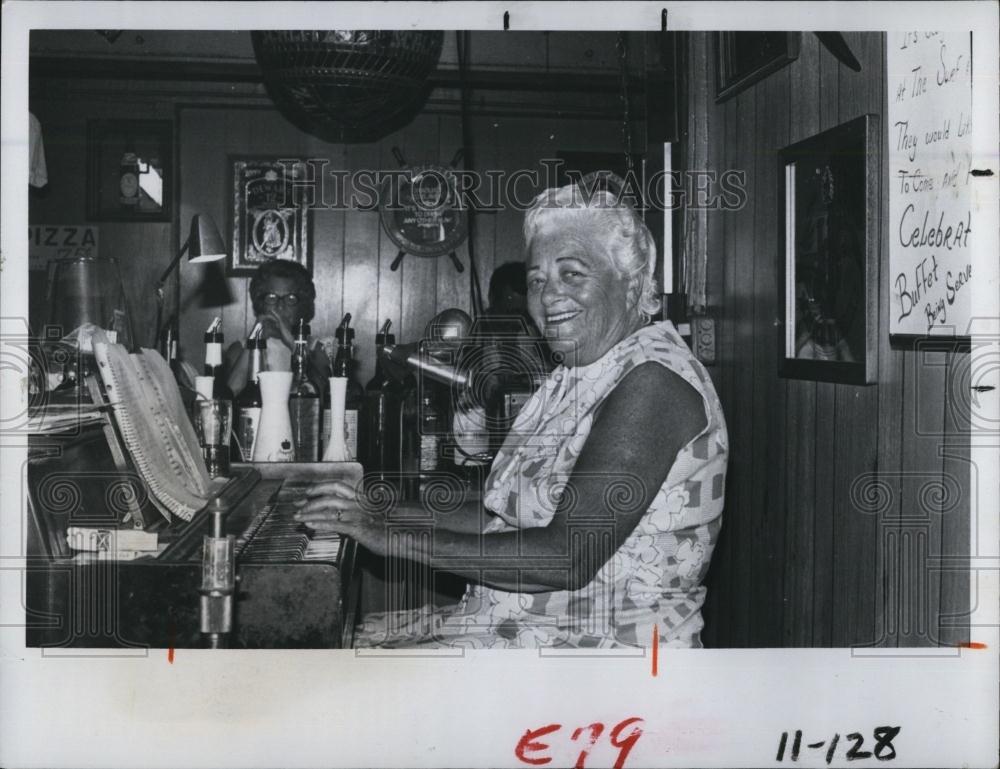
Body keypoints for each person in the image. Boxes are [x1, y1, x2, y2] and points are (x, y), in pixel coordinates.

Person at [295, 179, 729, 649]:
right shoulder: (579, 371)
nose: (548, 296)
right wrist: (377, 509)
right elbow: (495, 514)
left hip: (608, 666)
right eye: (537, 280)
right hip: (529, 639)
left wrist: (384, 536)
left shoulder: (653, 381)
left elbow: (566, 558)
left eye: (573, 274)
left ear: (630, 282)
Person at [224, 259, 330, 396]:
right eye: (272, 297)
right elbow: (230, 396)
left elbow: (323, 397)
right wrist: (254, 339)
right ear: (261, 303)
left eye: (290, 299)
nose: (280, 307)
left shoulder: (316, 350)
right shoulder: (239, 349)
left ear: (301, 306)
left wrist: (294, 344)